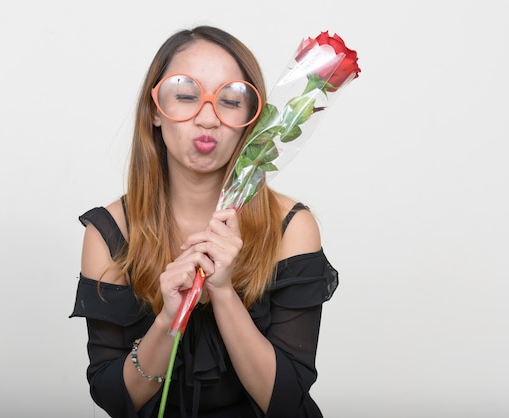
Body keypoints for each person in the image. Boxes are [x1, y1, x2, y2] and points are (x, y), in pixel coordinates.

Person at [70, 25, 338, 418]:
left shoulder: (291, 228)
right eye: (185, 95)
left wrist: (224, 293)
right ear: (154, 112)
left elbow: (286, 401)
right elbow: (113, 397)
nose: (208, 118)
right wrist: (167, 319)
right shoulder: (111, 234)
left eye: (230, 100)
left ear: (253, 119)